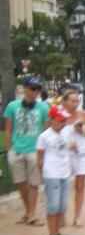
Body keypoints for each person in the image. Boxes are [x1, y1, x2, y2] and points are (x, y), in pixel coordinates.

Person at [3, 77, 49, 226]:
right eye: (33, 88)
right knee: (20, 183)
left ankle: (32, 214)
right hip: (17, 149)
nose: (35, 92)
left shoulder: (42, 108)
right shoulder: (12, 106)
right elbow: (8, 128)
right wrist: (10, 147)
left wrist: (44, 150)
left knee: (33, 183)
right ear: (25, 89)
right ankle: (28, 211)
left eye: (38, 89)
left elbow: (46, 130)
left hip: (34, 150)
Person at [36, 105, 73, 235]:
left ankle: (57, 232)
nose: (62, 123)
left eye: (64, 120)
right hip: (52, 174)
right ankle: (52, 234)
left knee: (62, 205)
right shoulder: (44, 137)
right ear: (51, 120)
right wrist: (42, 175)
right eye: (59, 120)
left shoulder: (65, 133)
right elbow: (39, 158)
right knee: (53, 205)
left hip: (64, 173)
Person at [61, 90, 85, 227]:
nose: (75, 103)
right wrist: (68, 144)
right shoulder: (60, 115)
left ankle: (77, 217)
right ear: (65, 101)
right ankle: (61, 215)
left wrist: (84, 131)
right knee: (63, 185)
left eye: (76, 100)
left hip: (82, 153)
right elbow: (53, 134)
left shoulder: (83, 114)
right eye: (72, 101)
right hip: (66, 153)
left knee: (80, 186)